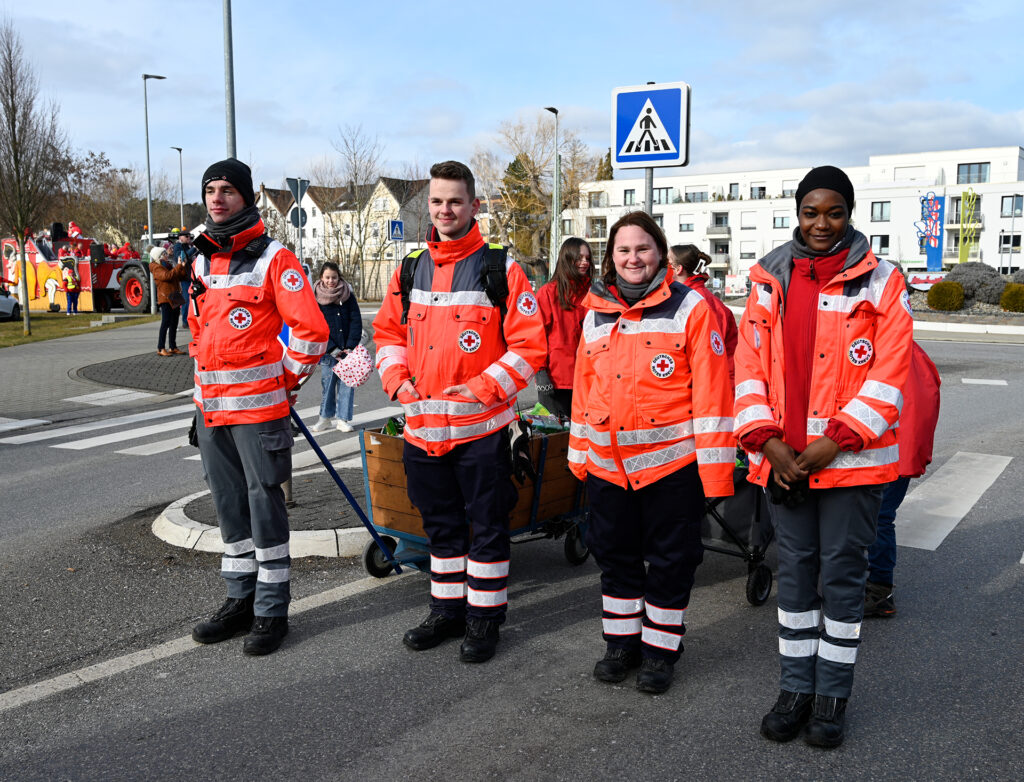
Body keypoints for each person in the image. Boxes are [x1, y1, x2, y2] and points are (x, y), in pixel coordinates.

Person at [734, 166, 913, 748]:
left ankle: (832, 696)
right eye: (811, 212)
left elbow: (890, 372)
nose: (821, 223)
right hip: (783, 460)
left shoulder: (883, 281)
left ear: (850, 214)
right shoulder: (768, 278)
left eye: (834, 212)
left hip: (849, 462)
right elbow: (748, 367)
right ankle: (795, 689)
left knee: (840, 579)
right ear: (797, 213)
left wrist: (836, 439)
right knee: (795, 578)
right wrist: (766, 439)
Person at [372, 160, 546, 664]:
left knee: (487, 528)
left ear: (474, 205)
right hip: (423, 430)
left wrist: (482, 389)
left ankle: (485, 619)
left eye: (454, 201)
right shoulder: (409, 268)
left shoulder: (502, 269)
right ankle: (446, 611)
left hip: (481, 432)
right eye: (436, 201)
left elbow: (530, 347)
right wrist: (396, 381)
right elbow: (387, 334)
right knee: (441, 527)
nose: (444, 210)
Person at [568, 211, 735, 694]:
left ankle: (660, 651)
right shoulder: (595, 312)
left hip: (671, 468)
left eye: (642, 248)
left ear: (660, 253)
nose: (633, 258)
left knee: (671, 561)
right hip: (607, 468)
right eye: (623, 250)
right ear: (611, 257)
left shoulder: (691, 308)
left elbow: (713, 397)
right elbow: (584, 390)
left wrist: (715, 474)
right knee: (615, 558)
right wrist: (578, 457)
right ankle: (621, 645)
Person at [188, 158, 328, 656]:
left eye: (227, 190)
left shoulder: (274, 258)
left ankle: (271, 609)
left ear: (245, 197)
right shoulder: (201, 260)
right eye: (210, 190)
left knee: (264, 506)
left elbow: (312, 333)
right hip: (212, 412)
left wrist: (281, 383)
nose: (217, 198)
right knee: (228, 506)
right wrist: (200, 398)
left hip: (259, 412)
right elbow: (199, 331)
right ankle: (239, 600)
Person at [864, 341, 941, 617]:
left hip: (886, 450)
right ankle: (876, 587)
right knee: (879, 517)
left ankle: (879, 591)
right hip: (899, 449)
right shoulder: (911, 350)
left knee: (878, 517)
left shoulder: (886, 350)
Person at [534, 238, 592, 418]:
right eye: (579, 257)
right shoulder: (547, 293)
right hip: (555, 380)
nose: (585, 262)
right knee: (556, 433)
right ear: (567, 258)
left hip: (588, 378)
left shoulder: (593, 292)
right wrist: (540, 372)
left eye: (587, 258)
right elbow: (536, 336)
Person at [668, 244, 737, 383]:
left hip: (713, 383)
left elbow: (709, 358)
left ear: (678, 269)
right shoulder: (681, 297)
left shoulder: (698, 302)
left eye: (666, 262)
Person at [311, 261, 362, 433]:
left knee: (347, 385)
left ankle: (342, 419)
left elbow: (356, 321)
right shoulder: (315, 298)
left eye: (334, 277)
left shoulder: (347, 295)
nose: (331, 281)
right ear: (321, 278)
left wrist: (350, 346)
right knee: (328, 385)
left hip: (347, 350)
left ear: (339, 277)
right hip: (328, 351)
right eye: (327, 277)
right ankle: (324, 419)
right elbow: (316, 326)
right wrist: (331, 348)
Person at [149, 246, 189, 356]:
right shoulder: (156, 267)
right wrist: (178, 266)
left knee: (174, 323)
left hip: (174, 296)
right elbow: (167, 276)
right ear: (159, 257)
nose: (167, 255)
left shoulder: (168, 265)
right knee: (165, 323)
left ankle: (173, 347)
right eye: (164, 254)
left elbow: (179, 277)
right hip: (165, 298)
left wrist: (182, 266)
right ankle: (160, 347)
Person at [172, 232, 198, 331]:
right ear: (180, 237)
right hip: (184, 278)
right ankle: (185, 321)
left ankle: (192, 320)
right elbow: (182, 257)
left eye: (189, 236)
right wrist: (194, 248)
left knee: (193, 299)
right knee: (186, 300)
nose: (188, 238)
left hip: (191, 276)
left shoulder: (188, 246)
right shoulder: (178, 246)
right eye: (186, 236)